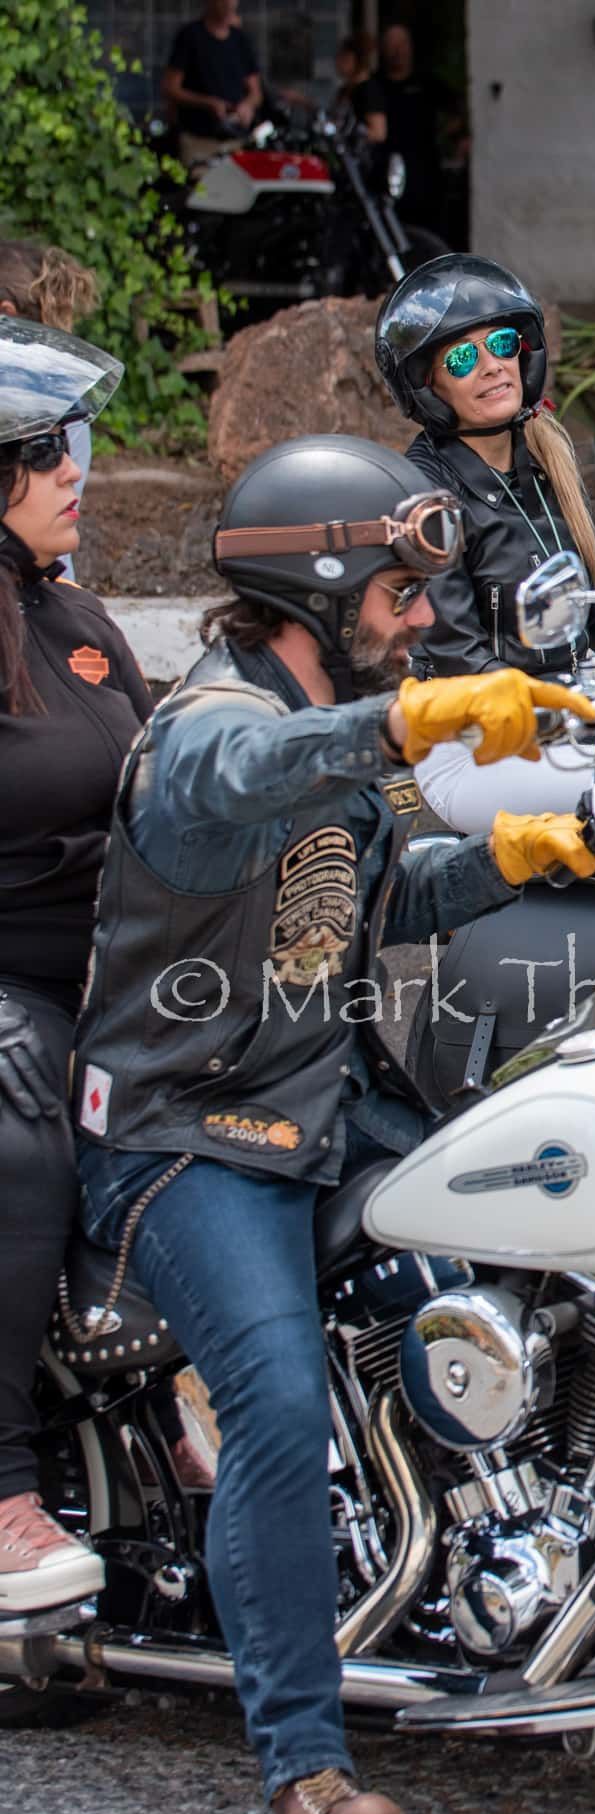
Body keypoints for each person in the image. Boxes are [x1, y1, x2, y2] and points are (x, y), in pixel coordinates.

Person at [73, 433, 595, 1814]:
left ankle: (548, 1579)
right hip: (185, 1135)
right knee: (267, 1397)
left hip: (314, 1107)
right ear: (318, 587)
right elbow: (256, 776)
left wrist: (553, 841)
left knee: (555, 1214)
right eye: (395, 593)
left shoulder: (322, 723)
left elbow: (379, 889)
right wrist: (417, 720)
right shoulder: (209, 726)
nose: (414, 620)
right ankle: (307, 1784)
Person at [376, 255, 595, 949]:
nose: (491, 365)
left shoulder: (545, 461)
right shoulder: (424, 494)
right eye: (462, 356)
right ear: (427, 385)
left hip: (571, 724)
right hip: (473, 748)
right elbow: (465, 669)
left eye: (502, 343)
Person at [0, 319, 150, 1615]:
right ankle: (2, 1496)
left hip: (112, 969)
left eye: (71, 443)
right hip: (11, 987)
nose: (73, 469)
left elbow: (165, 776)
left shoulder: (78, 618)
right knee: (21, 1123)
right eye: (42, 451)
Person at [0, 245, 101, 576]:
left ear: (7, 315)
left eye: (48, 450)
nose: (69, 471)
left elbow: (52, 539)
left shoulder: (59, 412)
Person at [163, 0, 264, 167]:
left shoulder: (240, 40)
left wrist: (246, 106)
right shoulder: (190, 36)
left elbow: (256, 92)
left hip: (236, 140)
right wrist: (208, 103)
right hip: (198, 140)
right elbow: (170, 88)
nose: (229, 5)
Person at [378, 25, 449, 233]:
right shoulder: (376, 86)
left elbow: (456, 112)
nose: (398, 51)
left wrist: (452, 137)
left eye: (402, 44)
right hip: (387, 173)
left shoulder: (427, 84)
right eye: (392, 46)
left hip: (425, 172)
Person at [333, 33, 388, 148]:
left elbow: (379, 133)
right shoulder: (344, 90)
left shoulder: (369, 90)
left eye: (343, 57)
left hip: (361, 159)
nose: (337, 62)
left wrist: (352, 130)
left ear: (355, 59)